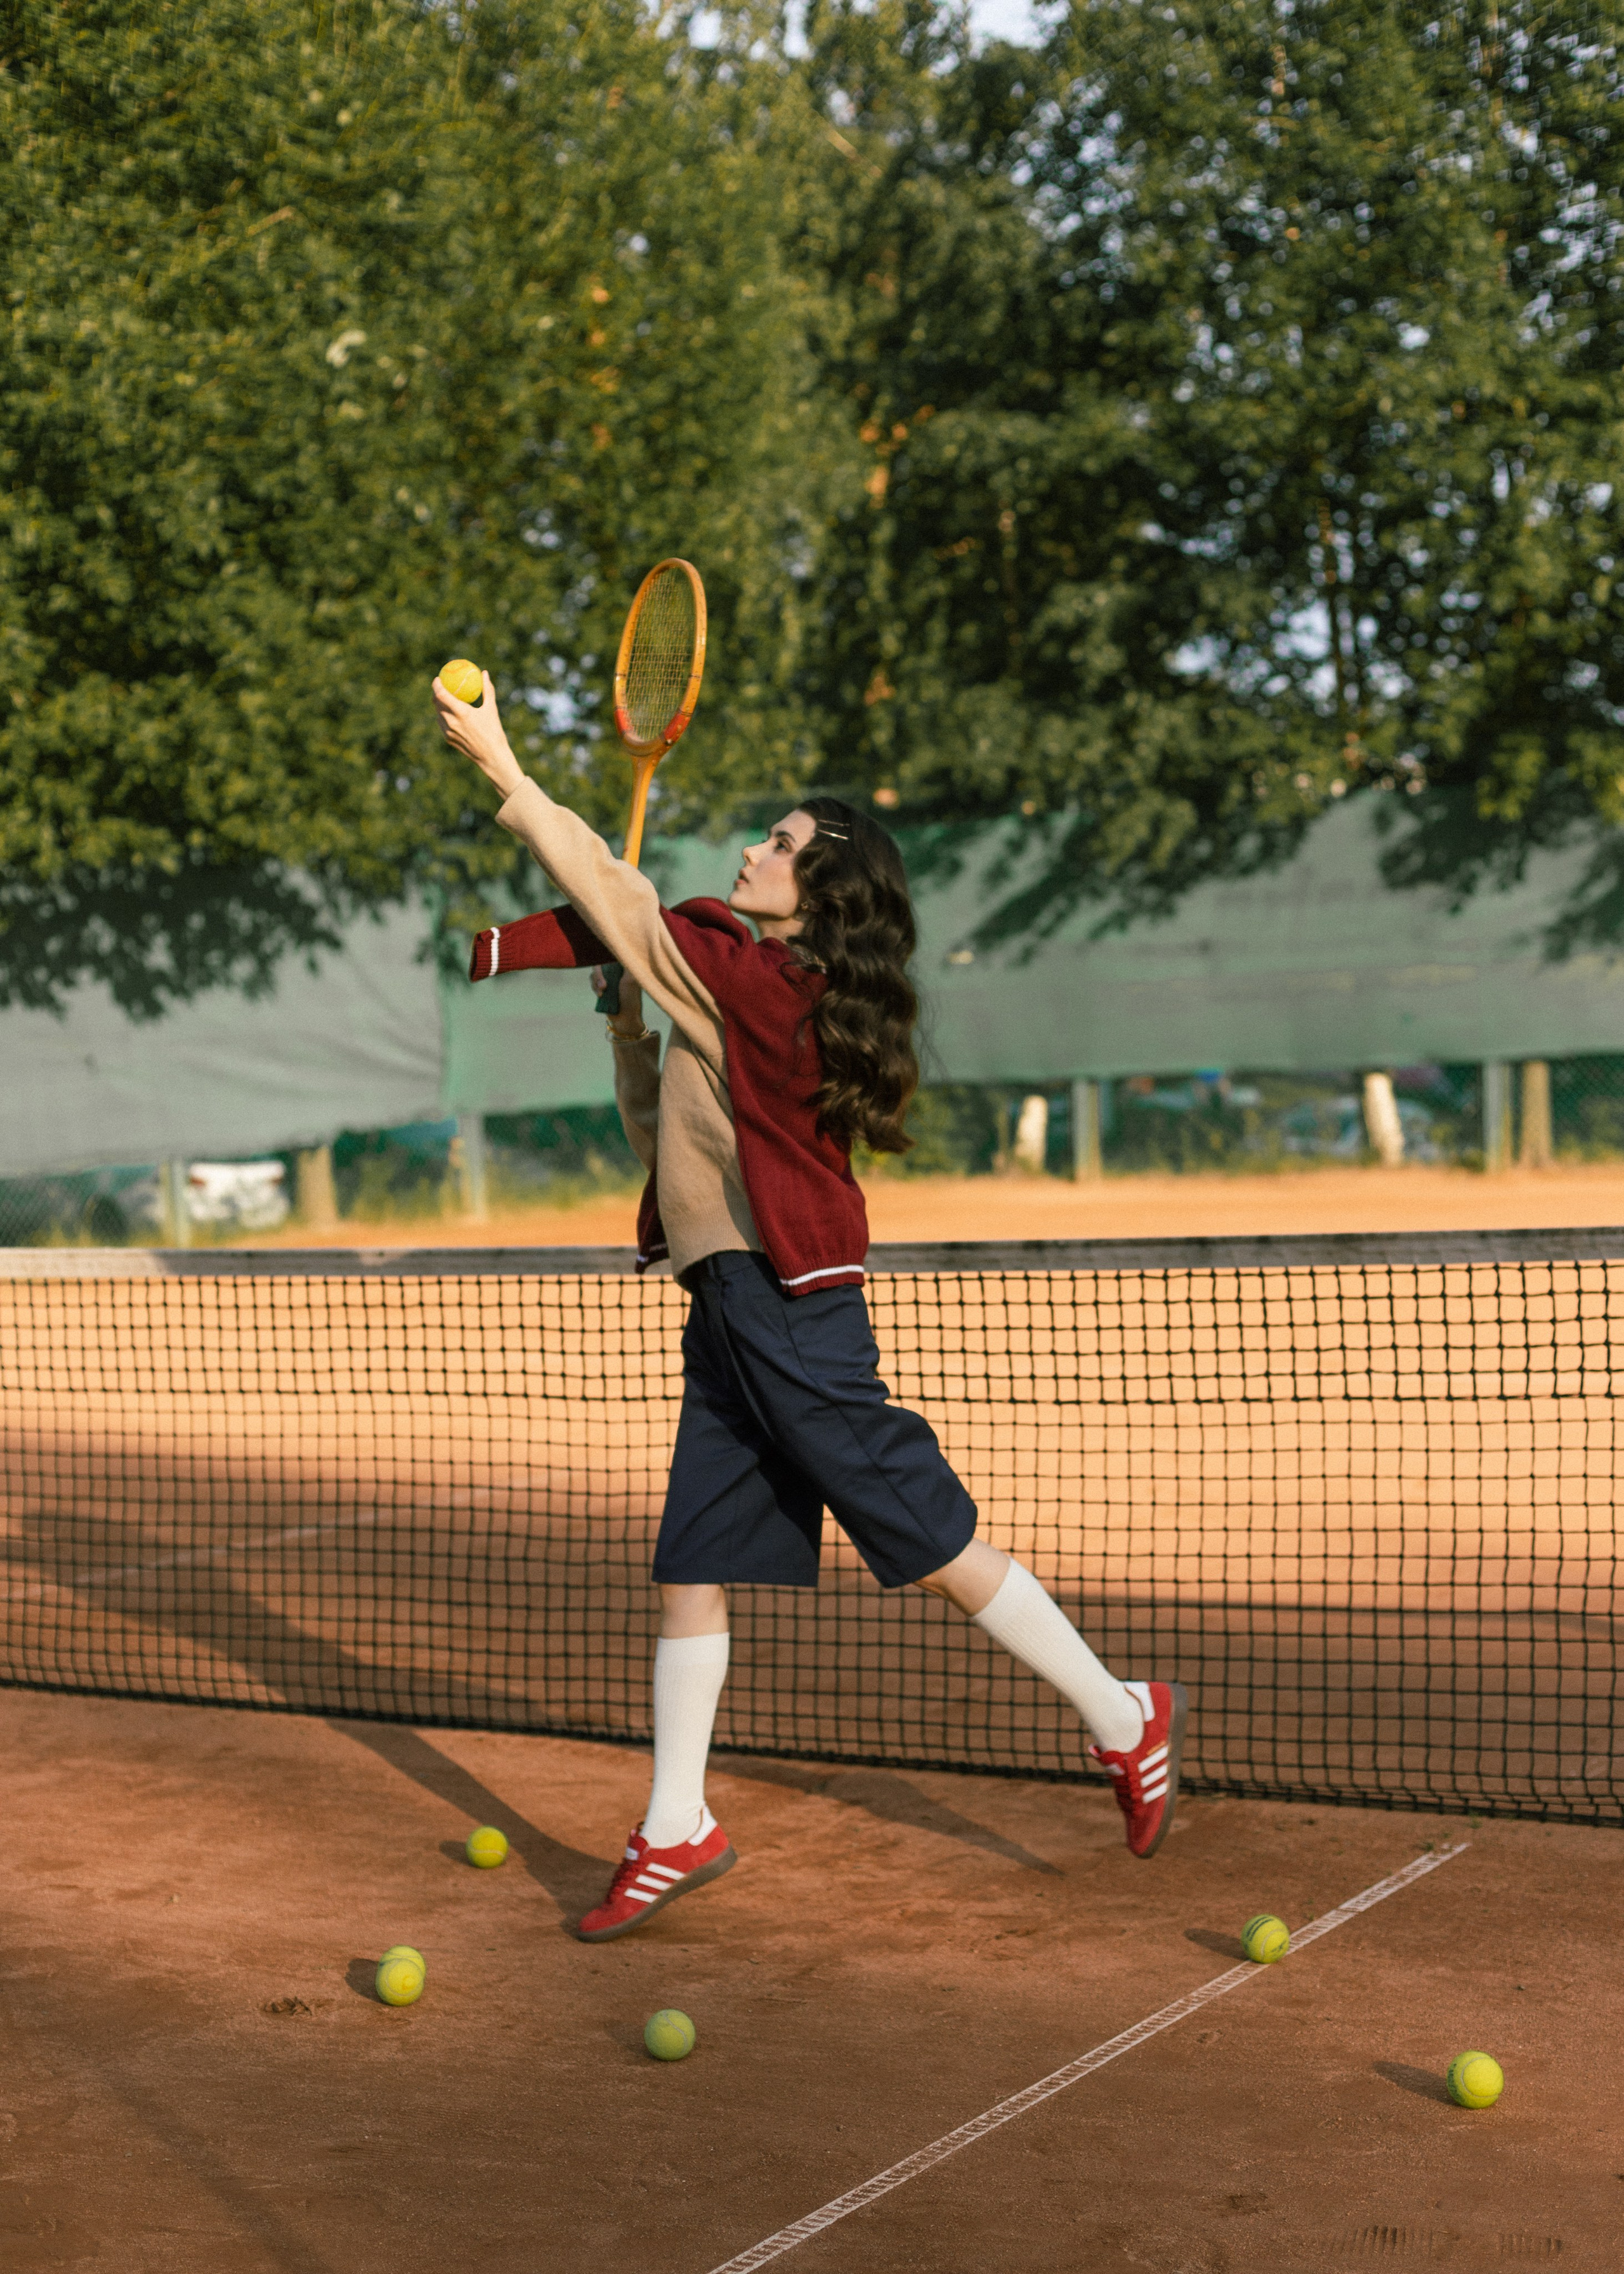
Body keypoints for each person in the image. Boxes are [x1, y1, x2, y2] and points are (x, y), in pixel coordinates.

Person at [433, 669, 1187, 1942]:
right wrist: (622, 1022)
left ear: (818, 892)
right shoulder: (728, 979)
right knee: (693, 1565)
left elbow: (622, 903)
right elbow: (663, 1132)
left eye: (776, 843)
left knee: (929, 1539)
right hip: (728, 1296)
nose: (749, 846)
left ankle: (1124, 1714)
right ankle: (678, 1822)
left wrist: (506, 771)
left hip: (786, 1305)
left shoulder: (760, 983)